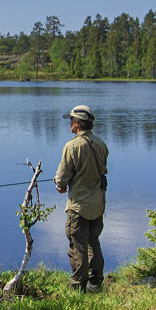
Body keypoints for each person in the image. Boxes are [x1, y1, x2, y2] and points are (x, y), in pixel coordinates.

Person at [55, 104, 108, 292]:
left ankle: (78, 286)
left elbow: (61, 179)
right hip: (98, 204)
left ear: (77, 123)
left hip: (78, 206)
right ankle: (96, 281)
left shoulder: (71, 146)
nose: (69, 123)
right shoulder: (102, 144)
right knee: (94, 241)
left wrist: (59, 185)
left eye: (71, 120)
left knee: (77, 246)